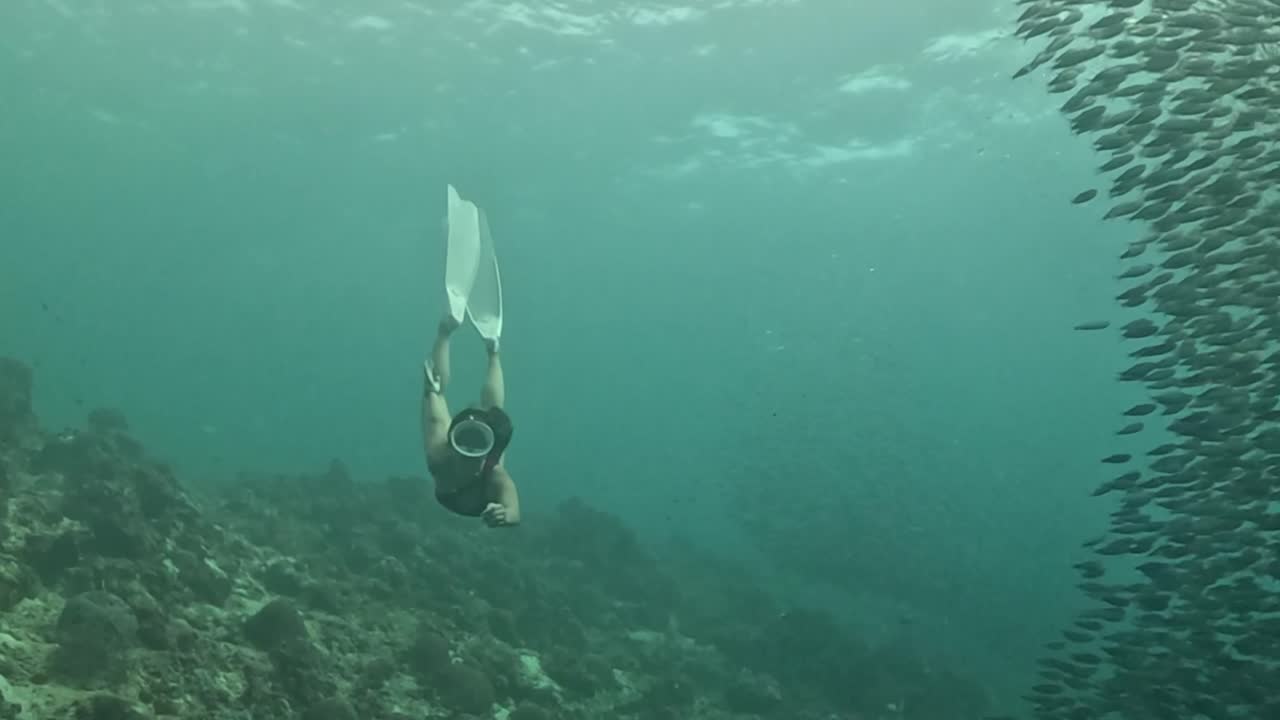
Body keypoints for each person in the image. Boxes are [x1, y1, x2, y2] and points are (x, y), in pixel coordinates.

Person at [421, 312, 520, 527]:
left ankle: (491, 350)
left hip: (483, 456)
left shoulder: (495, 477)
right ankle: (489, 349)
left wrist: (505, 514)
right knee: (435, 391)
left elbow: (513, 510)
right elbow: (435, 406)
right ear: (453, 443)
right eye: (465, 445)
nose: (470, 457)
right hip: (468, 456)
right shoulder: (439, 457)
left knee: (435, 391)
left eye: (478, 449)